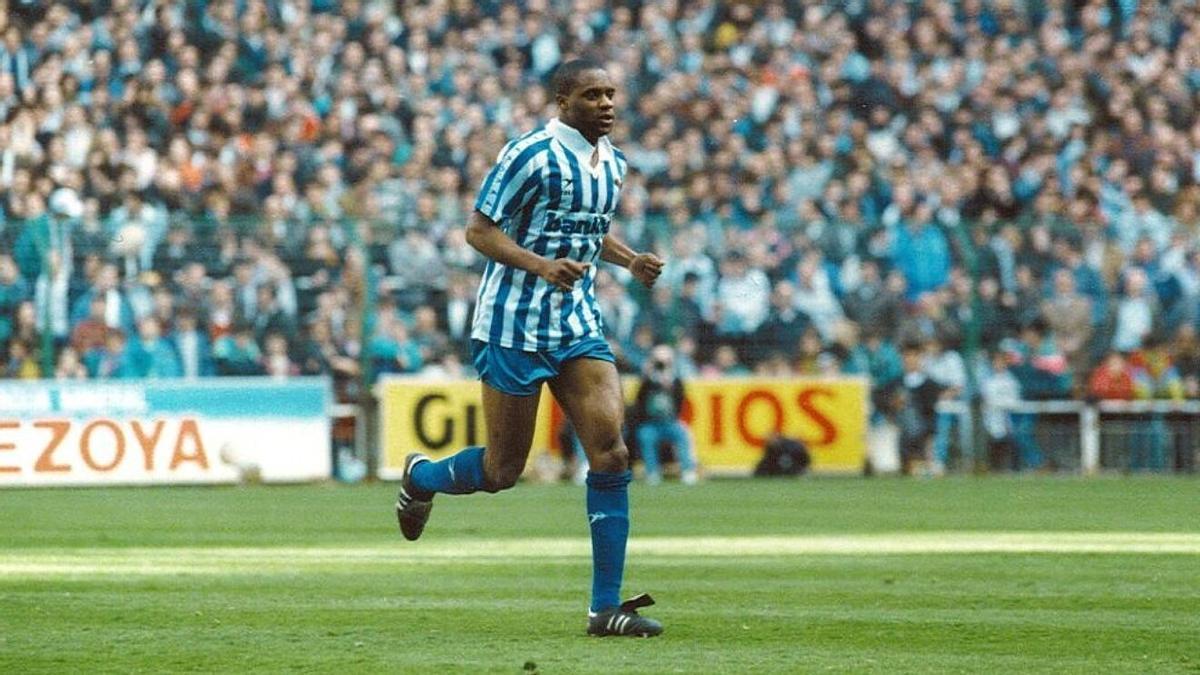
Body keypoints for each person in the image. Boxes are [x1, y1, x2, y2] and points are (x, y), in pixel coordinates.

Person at [393, 59, 665, 638]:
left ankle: (605, 607)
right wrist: (542, 266)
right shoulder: (529, 154)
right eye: (593, 95)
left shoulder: (612, 164)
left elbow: (589, 230)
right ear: (563, 100)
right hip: (512, 325)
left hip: (575, 322)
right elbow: (479, 231)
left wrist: (629, 258)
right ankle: (422, 478)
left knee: (611, 452)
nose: (607, 104)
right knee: (502, 470)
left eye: (611, 94)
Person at [631, 344, 699, 485]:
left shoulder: (675, 380)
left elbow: (680, 401)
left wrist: (670, 385)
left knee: (683, 434)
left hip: (670, 422)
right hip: (651, 423)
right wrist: (648, 378)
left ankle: (688, 470)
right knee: (645, 437)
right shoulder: (648, 381)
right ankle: (652, 472)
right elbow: (639, 401)